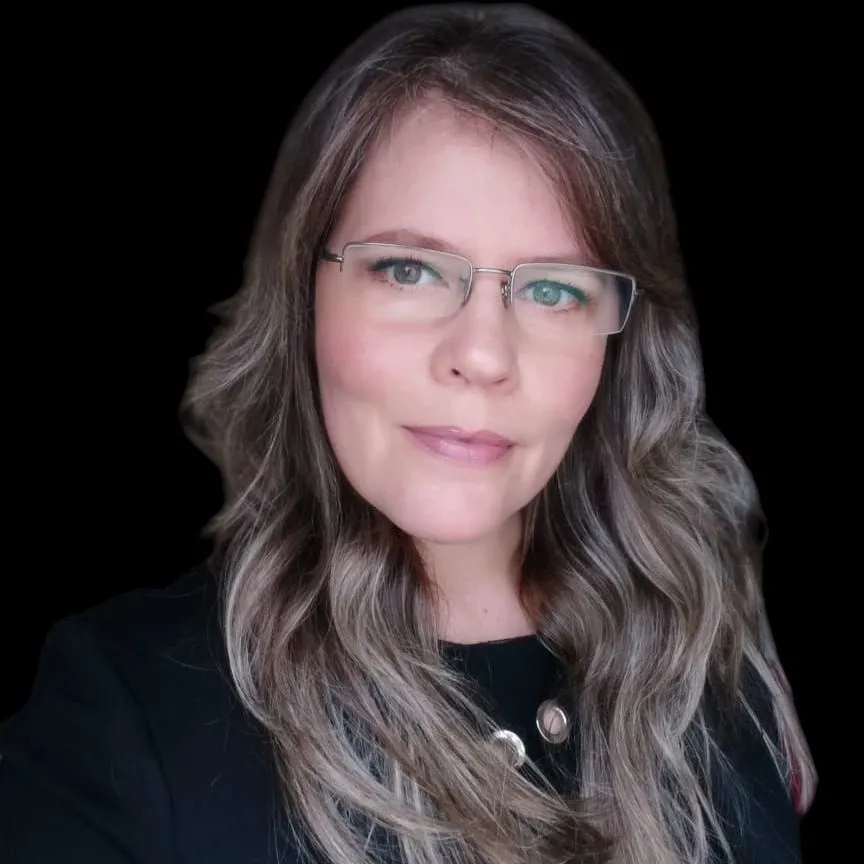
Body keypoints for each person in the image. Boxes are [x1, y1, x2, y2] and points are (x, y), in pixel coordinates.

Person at [0, 4, 816, 863]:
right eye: (409, 269)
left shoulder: (714, 682)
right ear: (305, 297)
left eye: (551, 289)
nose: (481, 354)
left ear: (617, 346)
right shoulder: (124, 714)